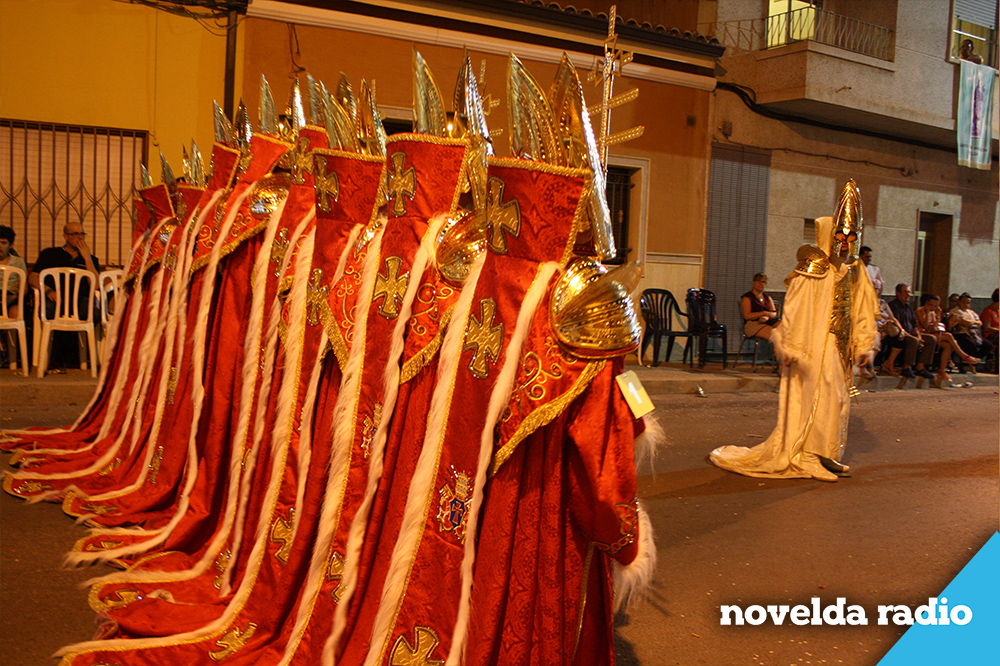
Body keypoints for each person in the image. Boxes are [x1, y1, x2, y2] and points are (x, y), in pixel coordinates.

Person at [710, 180, 876, 482]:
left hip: (838, 348)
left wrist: (864, 344)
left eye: (851, 236)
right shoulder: (814, 267)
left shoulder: (854, 270)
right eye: (841, 235)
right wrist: (791, 346)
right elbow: (796, 309)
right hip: (812, 347)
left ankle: (825, 453)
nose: (845, 241)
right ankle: (807, 455)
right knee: (817, 399)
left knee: (836, 400)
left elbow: (863, 308)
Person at [27, 222, 101, 368]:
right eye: (75, 234)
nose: (80, 237)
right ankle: (53, 356)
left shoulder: (90, 259)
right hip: (55, 298)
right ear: (66, 237)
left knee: (95, 313)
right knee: (47, 312)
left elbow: (96, 285)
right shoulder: (49, 254)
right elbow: (33, 277)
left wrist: (87, 258)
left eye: (82, 234)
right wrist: (47, 290)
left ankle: (77, 356)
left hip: (79, 300)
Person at [915, 293, 979, 382]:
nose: (933, 307)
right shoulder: (920, 310)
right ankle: (964, 356)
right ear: (927, 303)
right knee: (949, 336)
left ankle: (942, 369)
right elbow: (925, 326)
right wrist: (928, 312)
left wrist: (938, 315)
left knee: (948, 345)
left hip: (932, 334)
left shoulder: (933, 312)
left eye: (935, 306)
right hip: (922, 334)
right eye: (931, 305)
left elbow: (936, 325)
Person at [884, 283, 935, 379]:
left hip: (910, 332)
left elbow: (914, 325)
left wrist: (919, 336)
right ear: (898, 293)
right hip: (899, 334)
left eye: (909, 292)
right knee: (913, 341)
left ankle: (920, 367)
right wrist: (914, 337)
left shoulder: (909, 307)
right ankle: (906, 367)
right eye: (905, 292)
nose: (908, 294)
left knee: (931, 339)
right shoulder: (892, 306)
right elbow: (896, 324)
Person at [948, 292, 991, 371]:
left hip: (973, 334)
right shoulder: (955, 311)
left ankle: (972, 363)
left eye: (967, 303)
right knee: (971, 345)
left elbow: (980, 323)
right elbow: (964, 322)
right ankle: (965, 365)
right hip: (960, 334)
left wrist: (971, 323)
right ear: (959, 302)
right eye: (963, 302)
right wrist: (973, 322)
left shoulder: (971, 312)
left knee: (988, 345)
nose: (965, 304)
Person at [741, 272, 779, 341]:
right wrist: (763, 313)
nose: (761, 284)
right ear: (753, 282)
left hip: (768, 321)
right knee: (775, 335)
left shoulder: (768, 297)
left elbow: (774, 313)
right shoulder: (747, 297)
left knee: (785, 328)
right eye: (758, 281)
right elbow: (747, 316)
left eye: (763, 282)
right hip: (754, 323)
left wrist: (767, 317)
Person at [0, 225, 28, 318]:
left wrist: (17, 296)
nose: (0, 246)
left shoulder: (18, 262)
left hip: (11, 296)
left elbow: (23, 286)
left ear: (11, 245)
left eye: (4, 243)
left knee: (16, 313)